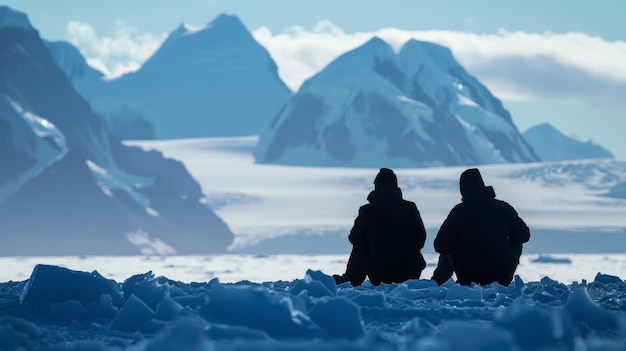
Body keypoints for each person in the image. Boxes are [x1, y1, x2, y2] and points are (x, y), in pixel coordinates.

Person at [431, 168, 530, 286]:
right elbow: (524, 235)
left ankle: (437, 282)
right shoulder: (503, 208)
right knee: (517, 243)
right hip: (501, 275)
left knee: (448, 246)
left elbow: (440, 245)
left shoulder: (459, 211)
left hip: (468, 276)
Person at [333, 168, 427, 286]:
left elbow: (354, 238)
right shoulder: (410, 208)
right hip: (411, 272)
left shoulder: (367, 211)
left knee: (360, 245)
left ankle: (351, 280)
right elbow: (421, 239)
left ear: (376, 186)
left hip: (381, 273)